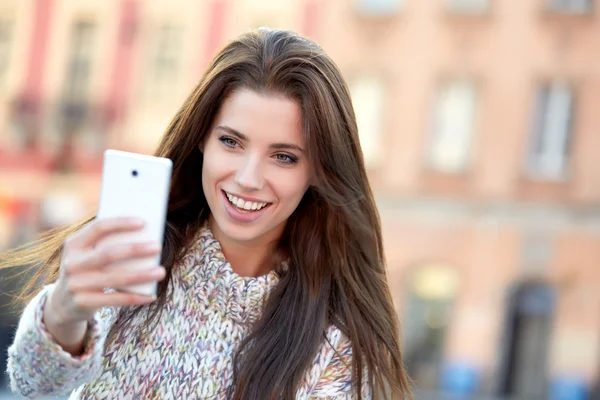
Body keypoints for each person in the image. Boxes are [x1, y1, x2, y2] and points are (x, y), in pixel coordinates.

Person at [2, 28, 412, 399]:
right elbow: (33, 382)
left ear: (318, 172)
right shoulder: (137, 254)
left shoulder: (333, 338)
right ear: (202, 139)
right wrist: (63, 311)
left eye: (284, 157)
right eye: (231, 142)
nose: (248, 178)